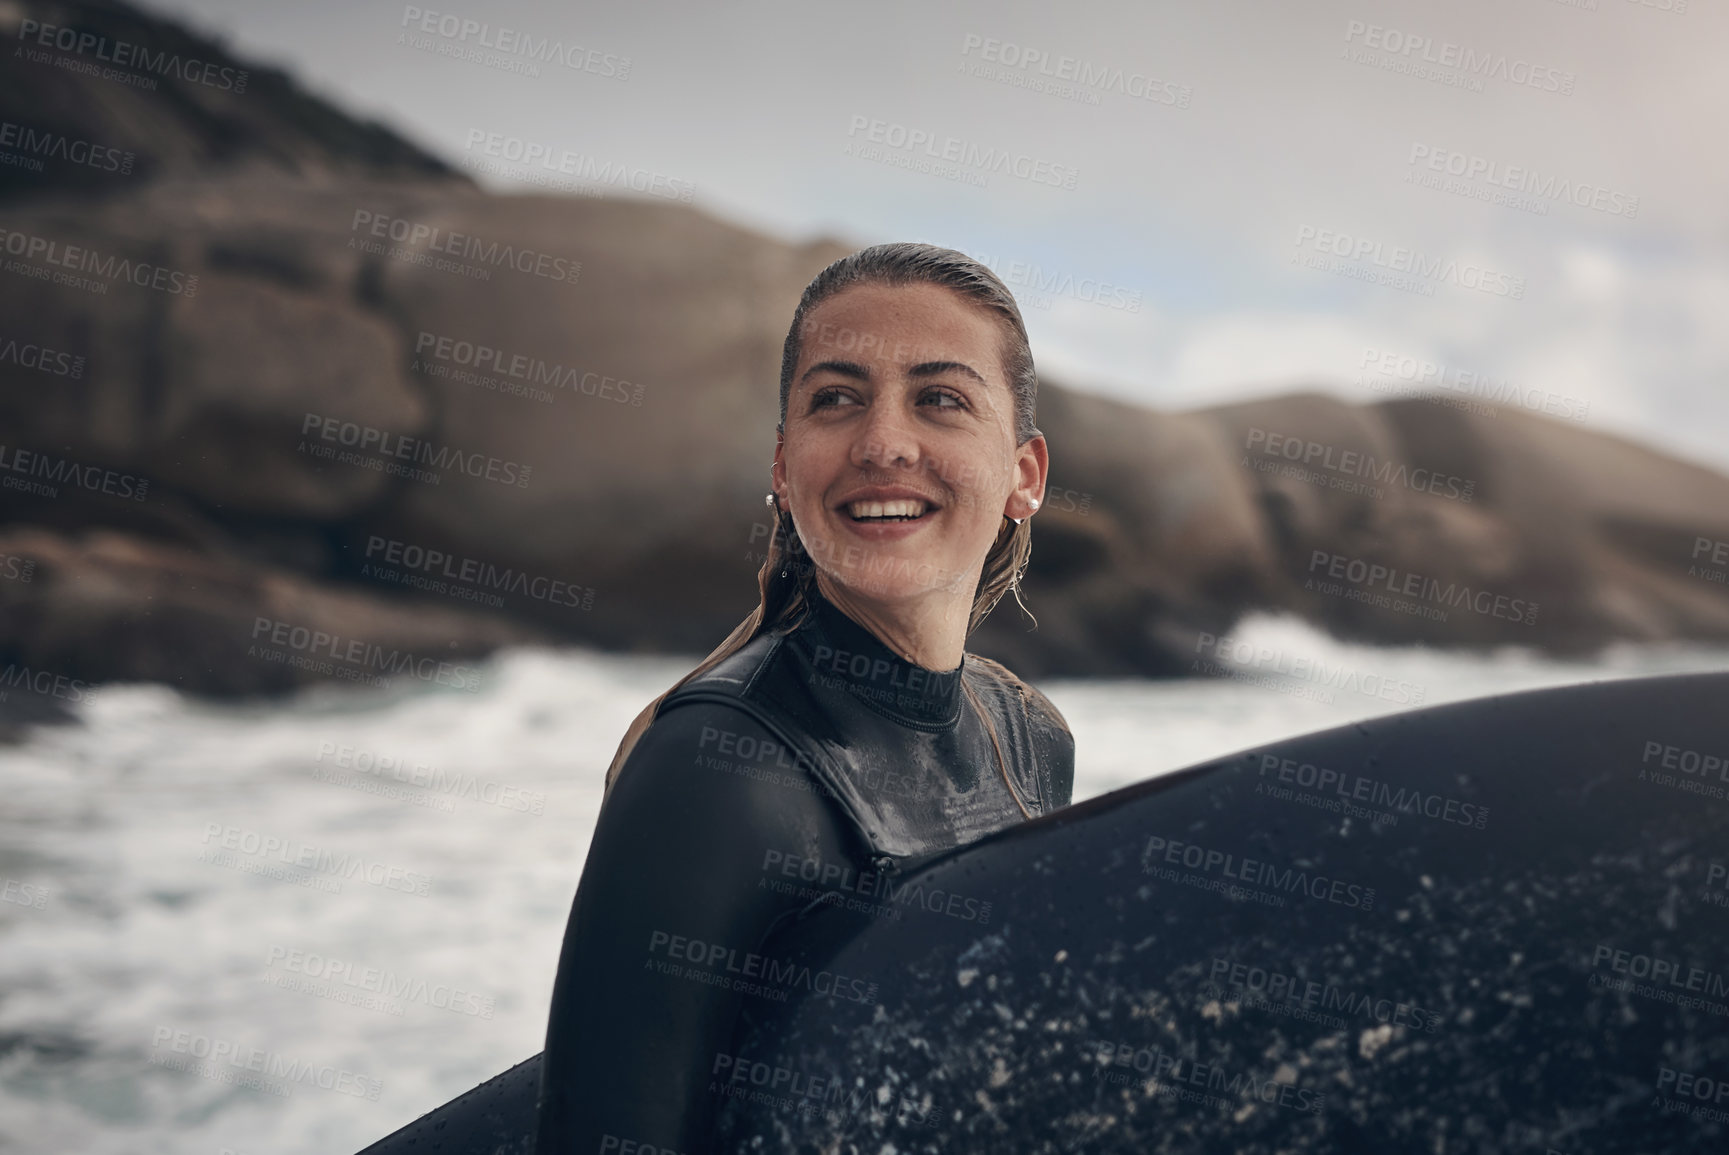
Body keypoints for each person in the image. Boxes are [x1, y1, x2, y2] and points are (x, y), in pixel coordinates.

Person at [533, 242, 1076, 1153]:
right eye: (836, 398)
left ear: (1025, 472)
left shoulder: (1028, 738)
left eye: (939, 398)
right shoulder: (717, 764)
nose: (881, 443)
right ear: (784, 466)